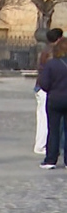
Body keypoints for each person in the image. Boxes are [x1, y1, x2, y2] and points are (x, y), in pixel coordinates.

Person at [37, 36, 67, 169]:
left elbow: (44, 83)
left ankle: (51, 159)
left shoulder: (51, 64)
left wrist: (51, 89)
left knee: (53, 130)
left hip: (55, 98)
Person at [34, 28, 63, 155]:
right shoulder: (52, 52)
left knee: (43, 117)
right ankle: (41, 145)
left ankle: (43, 144)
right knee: (45, 119)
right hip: (47, 88)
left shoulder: (46, 50)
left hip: (42, 87)